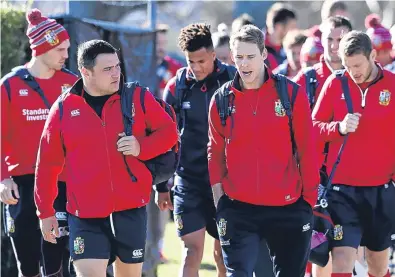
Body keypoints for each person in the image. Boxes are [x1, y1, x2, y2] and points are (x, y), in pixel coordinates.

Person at [34, 39, 178, 277]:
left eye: (117, 66)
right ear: (85, 72)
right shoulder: (63, 109)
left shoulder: (137, 97)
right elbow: (47, 164)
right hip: (85, 215)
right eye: (107, 69)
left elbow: (169, 132)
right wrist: (45, 212)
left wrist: (141, 146)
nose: (116, 74)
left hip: (131, 208)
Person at [207, 24, 319, 277]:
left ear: (264, 54)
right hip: (238, 209)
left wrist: (307, 202)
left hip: (288, 207)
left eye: (250, 57)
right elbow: (214, 153)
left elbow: (307, 150)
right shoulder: (222, 100)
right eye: (238, 57)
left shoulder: (291, 93)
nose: (244, 64)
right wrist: (220, 201)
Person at [0, 9, 78, 277]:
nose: (66, 56)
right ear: (44, 46)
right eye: (61, 49)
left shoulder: (72, 83)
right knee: (28, 266)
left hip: (62, 183)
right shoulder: (9, 86)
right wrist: (3, 177)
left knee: (60, 265)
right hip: (21, 184)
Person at [312, 30, 395, 277]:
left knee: (377, 265)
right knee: (341, 259)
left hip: (381, 190)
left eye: (357, 65)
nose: (353, 72)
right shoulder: (335, 83)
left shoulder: (392, 84)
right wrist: (337, 127)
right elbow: (312, 128)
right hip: (341, 192)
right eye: (347, 66)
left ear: (372, 56)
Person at [160, 23, 235, 277]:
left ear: (214, 55)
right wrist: (162, 184)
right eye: (191, 61)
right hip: (189, 181)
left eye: (202, 60)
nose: (196, 67)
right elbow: (163, 138)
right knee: (192, 251)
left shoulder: (233, 80)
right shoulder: (176, 87)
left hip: (225, 182)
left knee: (224, 254)